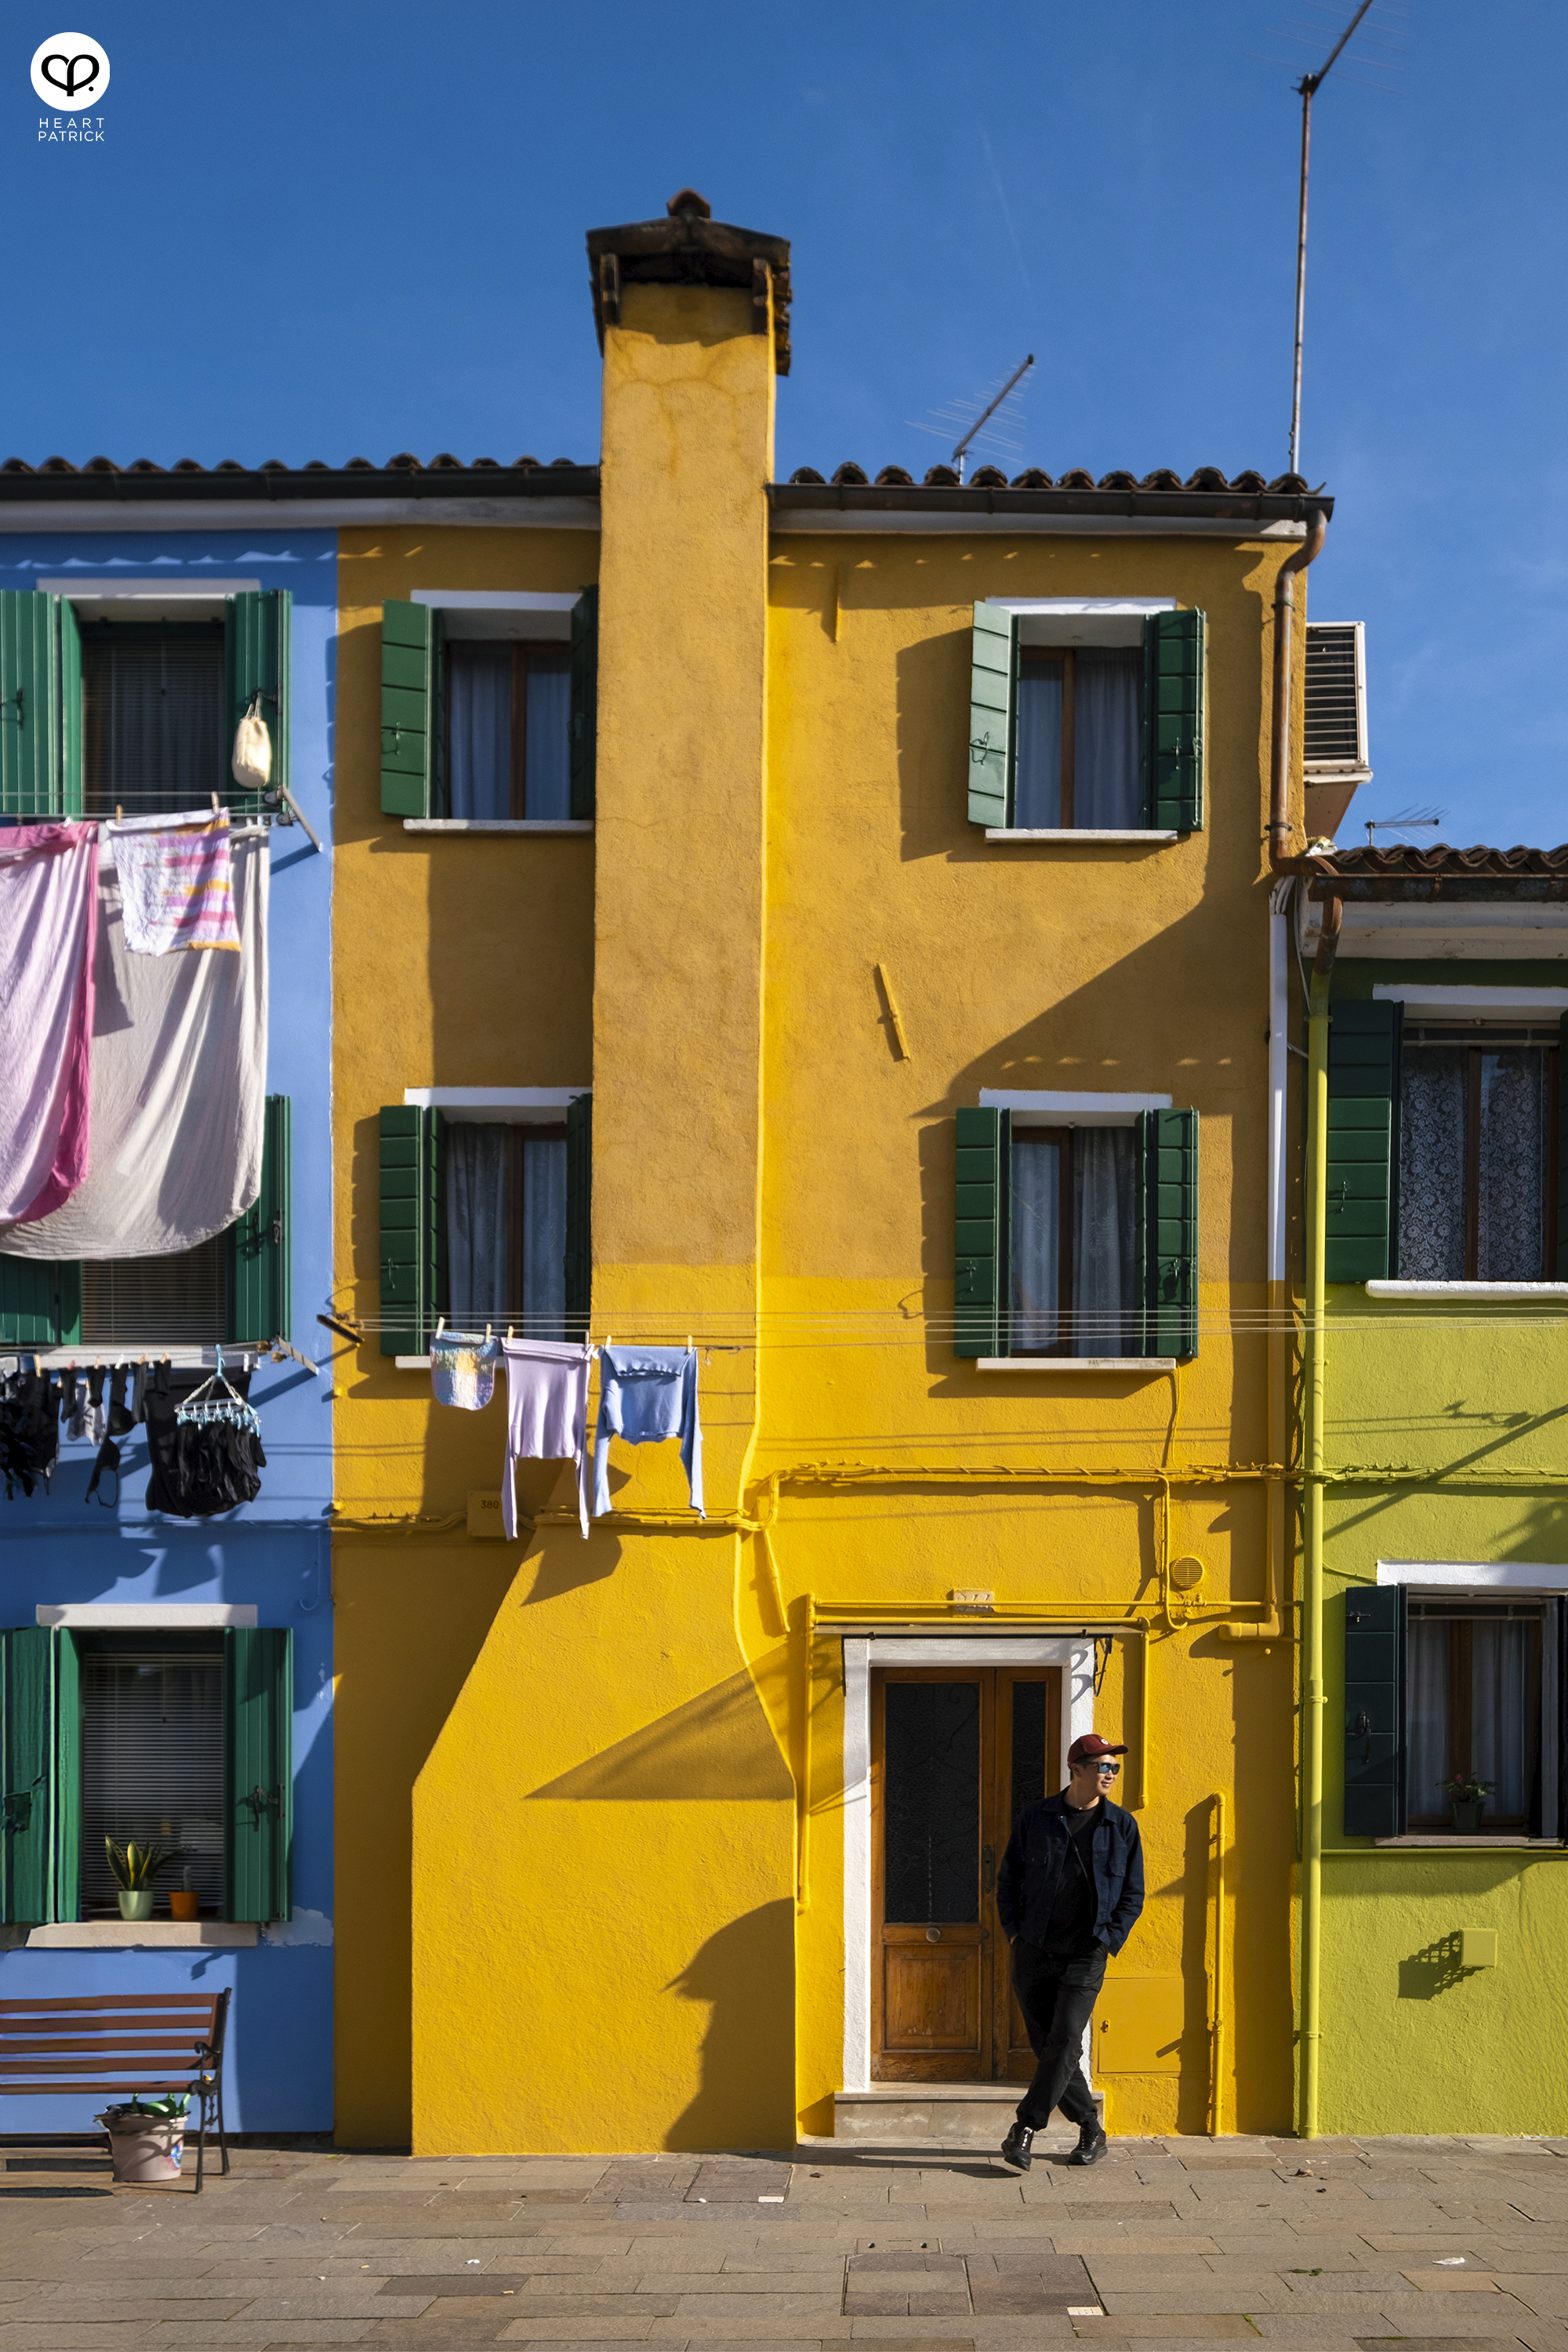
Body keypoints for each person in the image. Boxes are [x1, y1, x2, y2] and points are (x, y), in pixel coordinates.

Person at [994, 1730, 1144, 2172]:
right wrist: (1014, 1935)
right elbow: (1008, 1880)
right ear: (1076, 1769)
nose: (1111, 1774)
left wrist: (1107, 1941)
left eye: (1115, 1767)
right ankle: (1091, 2128)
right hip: (1035, 1950)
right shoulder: (1036, 1817)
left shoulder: (1122, 1826)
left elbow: (1132, 1894)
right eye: (1103, 1766)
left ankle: (1024, 2127)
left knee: (1064, 2039)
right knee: (1049, 2046)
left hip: (1087, 1953)